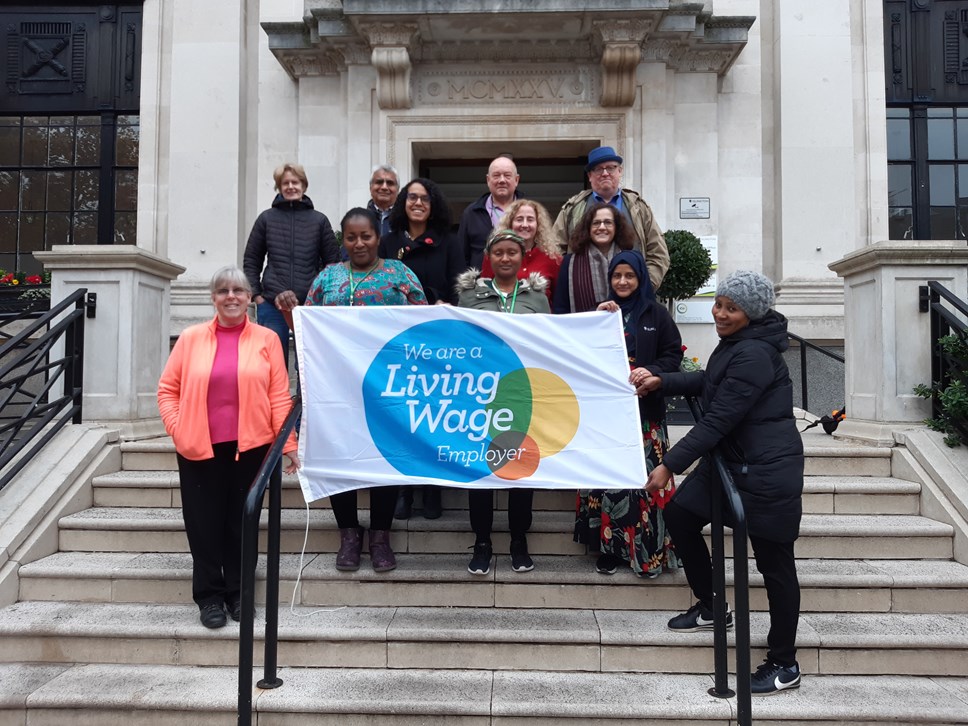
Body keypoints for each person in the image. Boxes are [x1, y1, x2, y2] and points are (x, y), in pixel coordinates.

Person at [642, 270, 804, 696]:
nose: (720, 313)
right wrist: (664, 380)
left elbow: (719, 417)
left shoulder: (753, 353)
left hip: (765, 471)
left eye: (732, 308)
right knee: (679, 514)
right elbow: (710, 383)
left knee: (775, 566)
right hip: (732, 464)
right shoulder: (738, 344)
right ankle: (713, 606)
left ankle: (785, 663)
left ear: (751, 313)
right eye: (719, 303)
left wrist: (670, 464)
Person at [157, 266, 299, 629]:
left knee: (242, 525)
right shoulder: (190, 339)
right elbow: (167, 390)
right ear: (213, 298)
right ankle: (209, 597)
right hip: (199, 448)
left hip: (251, 448)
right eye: (223, 291)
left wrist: (289, 444)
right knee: (203, 526)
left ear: (251, 297)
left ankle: (239, 595)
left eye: (238, 290)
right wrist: (178, 429)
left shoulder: (267, 340)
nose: (231, 296)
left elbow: (279, 396)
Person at [305, 207, 428, 572]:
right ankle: (348, 534)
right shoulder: (327, 278)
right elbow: (309, 327)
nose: (359, 243)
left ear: (378, 236)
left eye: (366, 236)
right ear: (343, 241)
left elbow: (421, 327)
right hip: (336, 391)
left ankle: (379, 535)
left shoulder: (399, 274)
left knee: (381, 459)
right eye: (351, 237)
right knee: (340, 459)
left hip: (386, 388)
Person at [574, 250, 682, 577]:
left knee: (644, 481)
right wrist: (595, 319)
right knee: (608, 482)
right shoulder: (601, 314)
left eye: (629, 276)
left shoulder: (656, 314)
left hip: (645, 415)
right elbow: (579, 354)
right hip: (606, 417)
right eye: (616, 276)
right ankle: (608, 550)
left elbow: (672, 356)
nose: (622, 282)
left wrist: (651, 372)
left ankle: (649, 552)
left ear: (640, 279)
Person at [455, 229, 551, 575]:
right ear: (489, 258)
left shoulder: (536, 297)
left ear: (522, 257)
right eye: (499, 253)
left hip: (522, 393)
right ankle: (481, 541)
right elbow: (459, 340)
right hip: (480, 396)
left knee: (520, 469)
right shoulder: (469, 296)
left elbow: (551, 343)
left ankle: (517, 540)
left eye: (513, 252)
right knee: (481, 470)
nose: (506, 258)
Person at [379, 177, 463, 520]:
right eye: (411, 197)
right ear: (403, 203)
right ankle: (404, 488)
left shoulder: (450, 242)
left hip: (437, 340)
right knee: (402, 413)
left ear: (434, 204)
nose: (417, 203)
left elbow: (462, 285)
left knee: (433, 414)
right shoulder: (386, 243)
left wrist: (447, 303)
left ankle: (431, 487)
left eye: (424, 198)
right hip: (397, 343)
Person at [243, 162, 339, 370]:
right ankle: (277, 403)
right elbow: (252, 260)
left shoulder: (319, 221)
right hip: (271, 304)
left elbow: (333, 264)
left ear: (304, 186)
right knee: (273, 363)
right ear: (279, 187)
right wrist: (257, 296)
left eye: (295, 182)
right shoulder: (266, 219)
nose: (291, 187)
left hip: (309, 304)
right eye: (285, 183)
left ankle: (303, 403)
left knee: (308, 363)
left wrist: (321, 296)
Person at [552, 146, 669, 290]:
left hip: (631, 293)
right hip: (585, 294)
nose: (605, 173)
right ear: (590, 176)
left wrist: (645, 287)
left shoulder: (639, 207)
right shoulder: (572, 208)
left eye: (611, 168)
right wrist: (570, 284)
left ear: (620, 171)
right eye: (598, 169)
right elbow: (554, 250)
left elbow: (658, 252)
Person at [552, 203, 636, 314]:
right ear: (588, 228)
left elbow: (643, 299)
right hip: (582, 329)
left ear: (617, 227)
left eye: (608, 222)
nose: (602, 227)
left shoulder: (632, 260)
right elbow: (560, 307)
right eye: (596, 223)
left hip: (626, 329)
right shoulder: (569, 263)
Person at [481, 199, 560, 302]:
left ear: (538, 225)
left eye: (530, 219)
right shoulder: (493, 256)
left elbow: (558, 301)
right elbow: (484, 293)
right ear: (510, 224)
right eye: (519, 219)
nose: (525, 225)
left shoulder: (553, 259)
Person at [458, 155, 520, 270]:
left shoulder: (529, 212)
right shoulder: (471, 213)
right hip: (481, 285)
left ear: (516, 180)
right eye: (496, 175)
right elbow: (461, 257)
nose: (502, 180)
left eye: (507, 175)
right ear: (488, 180)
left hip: (521, 284)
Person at [367, 164, 399, 237]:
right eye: (379, 182)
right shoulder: (361, 219)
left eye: (390, 183)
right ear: (370, 188)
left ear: (397, 190)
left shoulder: (406, 221)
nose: (384, 187)